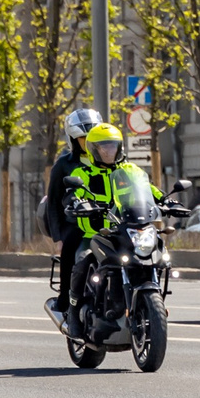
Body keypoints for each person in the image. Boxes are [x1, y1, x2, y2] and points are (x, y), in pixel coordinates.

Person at [56, 121, 134, 336]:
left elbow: (149, 189)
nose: (109, 151)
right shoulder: (85, 173)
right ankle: (73, 314)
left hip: (122, 232)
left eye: (112, 146)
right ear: (93, 150)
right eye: (103, 147)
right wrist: (75, 201)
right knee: (82, 262)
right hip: (93, 235)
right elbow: (72, 193)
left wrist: (166, 200)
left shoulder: (128, 170)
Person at [41, 106, 104, 244]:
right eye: (83, 138)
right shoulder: (63, 164)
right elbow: (54, 202)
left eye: (92, 137)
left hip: (110, 221)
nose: (88, 141)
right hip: (76, 224)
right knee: (70, 248)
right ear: (73, 139)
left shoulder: (110, 161)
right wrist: (58, 239)